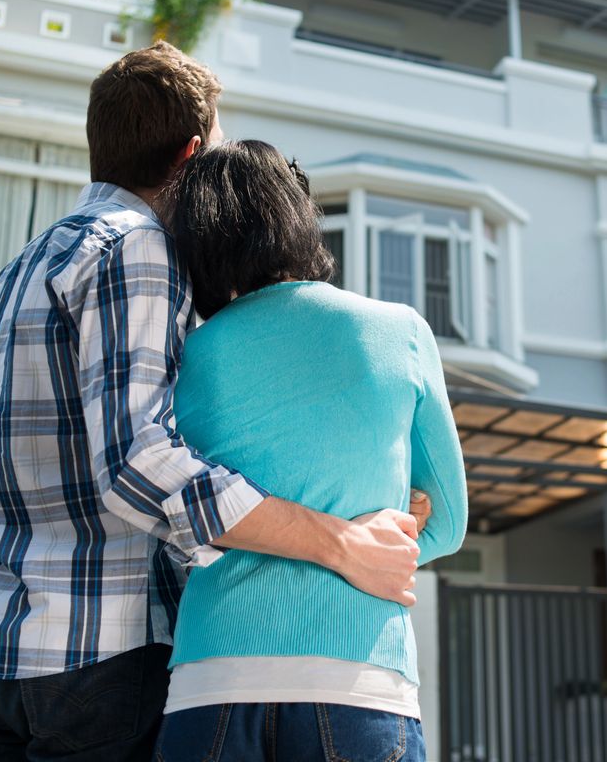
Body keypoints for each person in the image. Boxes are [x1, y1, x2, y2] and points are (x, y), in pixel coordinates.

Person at [0, 43, 430, 761]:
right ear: (191, 157)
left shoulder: (18, 269)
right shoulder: (136, 248)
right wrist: (341, 542)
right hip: (96, 655)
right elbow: (137, 461)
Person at [152, 140, 468, 762]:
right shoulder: (399, 330)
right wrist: (380, 542)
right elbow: (450, 523)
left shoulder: (185, 352)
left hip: (211, 677)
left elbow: (169, 503)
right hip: (360, 679)